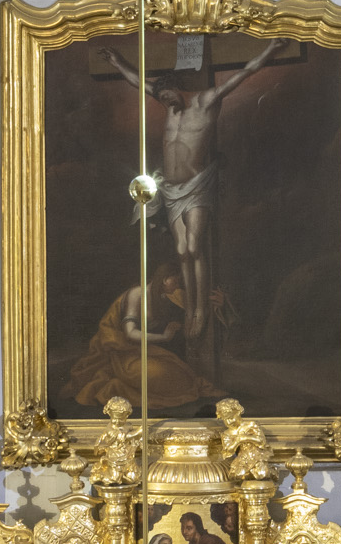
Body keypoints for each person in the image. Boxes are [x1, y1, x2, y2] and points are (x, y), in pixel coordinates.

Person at [98, 39, 284, 339]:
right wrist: (117, 62)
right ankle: (190, 309)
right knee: (182, 251)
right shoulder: (167, 102)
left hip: (197, 186)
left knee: (196, 247)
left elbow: (245, 72)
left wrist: (271, 50)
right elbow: (137, 82)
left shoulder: (206, 101)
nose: (165, 101)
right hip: (171, 190)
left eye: (168, 95)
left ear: (178, 88)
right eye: (161, 97)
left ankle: (200, 309)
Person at [59, 261, 220, 412]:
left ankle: (120, 386)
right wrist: (164, 337)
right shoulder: (137, 294)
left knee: (181, 376)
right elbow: (130, 333)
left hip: (139, 351)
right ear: (165, 279)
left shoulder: (165, 296)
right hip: (119, 353)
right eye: (176, 281)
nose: (178, 286)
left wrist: (216, 303)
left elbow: (195, 306)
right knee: (163, 376)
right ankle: (114, 388)